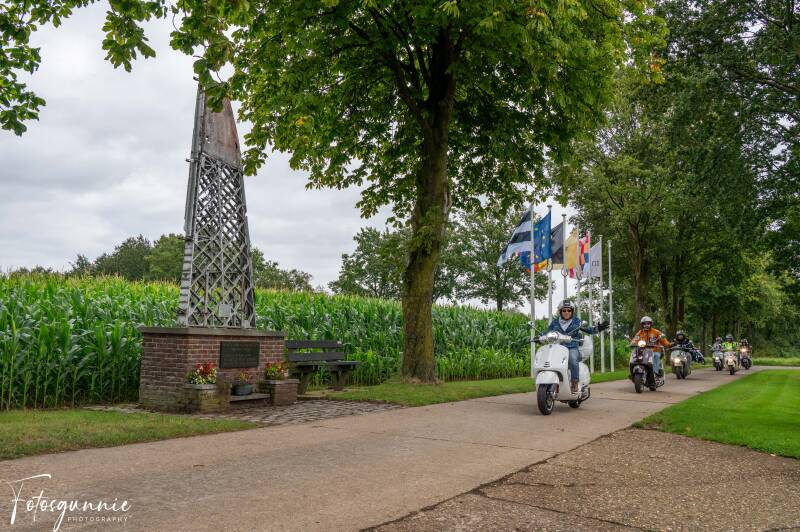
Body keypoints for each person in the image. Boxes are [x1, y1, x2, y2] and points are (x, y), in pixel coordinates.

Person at [547, 300, 608, 393]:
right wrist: (539, 336)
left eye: (569, 310)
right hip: (558, 347)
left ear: (572, 311)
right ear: (560, 311)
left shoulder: (576, 321)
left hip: (572, 347)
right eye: (564, 310)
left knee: (572, 359)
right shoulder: (555, 322)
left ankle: (574, 382)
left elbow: (587, 330)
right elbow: (547, 332)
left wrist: (597, 328)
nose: (566, 312)